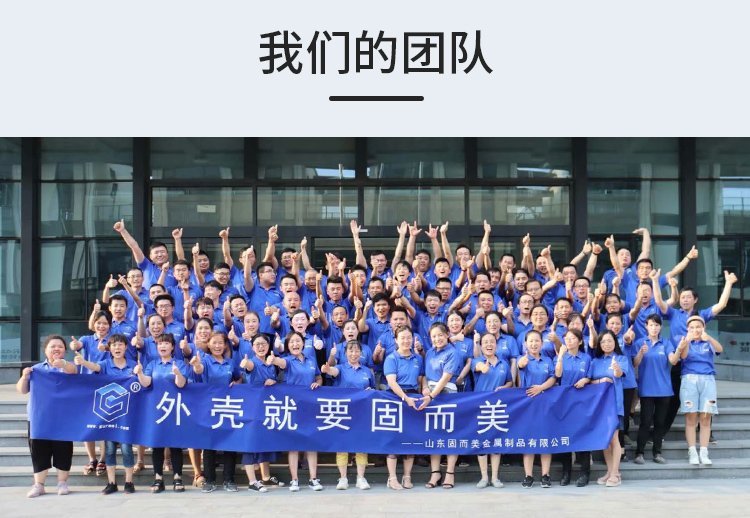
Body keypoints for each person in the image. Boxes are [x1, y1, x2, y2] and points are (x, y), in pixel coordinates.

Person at [73, 334, 137, 494]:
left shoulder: (133, 365)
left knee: (127, 449)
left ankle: (129, 482)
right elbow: (95, 367)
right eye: (114, 345)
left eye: (120, 345)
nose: (117, 348)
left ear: (126, 347)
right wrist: (83, 362)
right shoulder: (105, 364)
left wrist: (139, 373)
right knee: (109, 449)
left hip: (127, 414)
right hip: (109, 414)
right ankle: (111, 483)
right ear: (110, 348)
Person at [17, 335, 78, 498]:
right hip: (39, 418)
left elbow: (74, 371)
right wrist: (24, 376)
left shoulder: (68, 367)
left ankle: (62, 483)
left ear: (65, 350)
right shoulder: (36, 369)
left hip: (63, 418)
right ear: (45, 350)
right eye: (53, 346)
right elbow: (22, 390)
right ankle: (39, 485)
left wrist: (63, 364)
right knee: (39, 451)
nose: (56, 349)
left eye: (60, 346)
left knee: (63, 450)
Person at [266, 332, 324, 492]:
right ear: (288, 345)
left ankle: (313, 479)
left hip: (310, 406)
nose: (295, 344)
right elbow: (281, 363)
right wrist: (273, 360)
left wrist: (318, 383)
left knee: (311, 443)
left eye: (298, 341)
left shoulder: (311, 360)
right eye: (292, 342)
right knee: (293, 444)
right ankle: (294, 480)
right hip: (292, 406)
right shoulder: (288, 360)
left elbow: (318, 377)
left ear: (303, 344)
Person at [133, 333, 189, 493]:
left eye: (166, 343)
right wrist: (140, 373)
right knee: (157, 444)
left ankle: (177, 477)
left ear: (172, 347)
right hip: (156, 409)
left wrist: (177, 373)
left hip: (174, 408)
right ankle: (158, 478)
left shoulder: (179, 364)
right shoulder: (152, 364)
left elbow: (181, 384)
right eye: (160, 344)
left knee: (175, 445)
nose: (162, 346)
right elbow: (146, 383)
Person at [190, 332, 242, 493]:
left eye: (221, 343)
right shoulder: (205, 360)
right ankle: (210, 480)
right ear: (208, 344)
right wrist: (196, 365)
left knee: (230, 443)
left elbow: (239, 377)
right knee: (209, 444)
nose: (218, 346)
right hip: (209, 407)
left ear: (225, 345)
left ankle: (229, 479)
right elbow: (199, 370)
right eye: (214, 343)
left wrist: (237, 383)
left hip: (227, 407)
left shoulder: (230, 362)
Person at [321, 340, 375, 490]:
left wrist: (371, 391)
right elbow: (333, 371)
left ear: (361, 353)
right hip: (343, 412)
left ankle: (361, 478)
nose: (354, 354)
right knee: (342, 444)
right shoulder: (341, 368)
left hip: (362, 413)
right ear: (345, 353)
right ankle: (343, 478)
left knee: (361, 445)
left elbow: (373, 389)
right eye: (351, 351)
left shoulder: (367, 371)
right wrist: (328, 369)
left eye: (357, 351)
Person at [632, 314, 682, 465]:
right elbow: (634, 364)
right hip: (647, 390)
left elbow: (673, 360)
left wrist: (680, 349)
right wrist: (641, 353)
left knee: (660, 423)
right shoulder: (640, 343)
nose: (654, 328)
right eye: (651, 325)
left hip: (664, 390)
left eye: (657, 325)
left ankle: (657, 452)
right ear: (646, 326)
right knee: (645, 422)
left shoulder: (666, 343)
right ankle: (639, 453)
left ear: (660, 327)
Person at [383, 325, 426, 490]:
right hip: (396, 398)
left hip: (414, 398)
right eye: (402, 338)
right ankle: (392, 478)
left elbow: (421, 379)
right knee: (394, 439)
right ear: (396, 340)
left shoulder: (418, 359)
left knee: (410, 439)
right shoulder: (391, 358)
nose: (406, 341)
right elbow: (391, 382)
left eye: (409, 337)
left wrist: (424, 390)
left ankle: (407, 477)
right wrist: (405, 398)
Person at [238, 334, 283, 491]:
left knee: (264, 443)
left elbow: (276, 381)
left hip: (267, 409)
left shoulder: (271, 363)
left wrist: (274, 381)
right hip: (251, 409)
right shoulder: (253, 362)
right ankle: (252, 481)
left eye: (264, 344)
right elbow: (249, 366)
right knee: (250, 444)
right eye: (257, 344)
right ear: (252, 347)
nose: (261, 347)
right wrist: (246, 363)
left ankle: (265, 477)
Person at [678, 315, 723, 465]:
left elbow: (720, 349)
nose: (695, 330)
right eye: (692, 327)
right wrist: (687, 341)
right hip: (689, 379)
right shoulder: (685, 341)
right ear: (688, 329)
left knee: (705, 417)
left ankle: (704, 452)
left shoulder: (708, 342)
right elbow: (683, 356)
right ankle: (692, 452)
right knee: (691, 417)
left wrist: (708, 338)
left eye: (698, 327)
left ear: (703, 328)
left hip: (708, 380)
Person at [588, 331, 629, 487]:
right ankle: (610, 471)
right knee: (605, 439)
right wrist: (602, 380)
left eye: (609, 341)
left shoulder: (621, 359)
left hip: (614, 404)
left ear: (615, 342)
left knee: (614, 438)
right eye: (603, 341)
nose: (606, 344)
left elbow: (619, 374)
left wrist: (616, 369)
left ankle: (615, 474)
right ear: (599, 344)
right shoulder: (595, 361)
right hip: (599, 405)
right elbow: (589, 381)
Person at [472, 333, 512, 489]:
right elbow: (478, 368)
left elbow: (510, 382)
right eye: (485, 342)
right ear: (481, 346)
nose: (489, 345)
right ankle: (484, 477)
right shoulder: (477, 360)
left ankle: (495, 477)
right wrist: (483, 367)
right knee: (482, 442)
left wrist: (504, 387)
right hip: (481, 407)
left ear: (496, 344)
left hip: (498, 407)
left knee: (496, 442)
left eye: (492, 342)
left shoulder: (504, 364)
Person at [517, 330, 557, 488]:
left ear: (542, 343)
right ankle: (528, 475)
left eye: (537, 341)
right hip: (527, 405)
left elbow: (553, 377)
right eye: (531, 341)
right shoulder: (523, 358)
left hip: (545, 404)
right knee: (529, 440)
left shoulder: (548, 360)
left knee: (545, 439)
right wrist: (522, 363)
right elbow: (520, 366)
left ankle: (546, 475)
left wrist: (541, 388)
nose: (534, 344)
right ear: (525, 344)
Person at [422, 323, 459, 489]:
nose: (437, 339)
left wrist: (431, 395)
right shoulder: (429, 352)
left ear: (447, 335)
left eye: (440, 335)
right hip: (430, 396)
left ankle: (450, 473)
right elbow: (425, 375)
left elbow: (446, 378)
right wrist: (425, 388)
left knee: (451, 435)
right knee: (434, 435)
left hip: (447, 396)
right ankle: (435, 473)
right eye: (434, 336)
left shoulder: (453, 352)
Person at [554, 329, 592, 487]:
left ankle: (584, 473)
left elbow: (590, 376)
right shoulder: (561, 357)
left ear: (580, 341)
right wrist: (560, 356)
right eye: (566, 338)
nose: (569, 341)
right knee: (566, 437)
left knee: (582, 436)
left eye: (572, 338)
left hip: (582, 402)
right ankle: (566, 473)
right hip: (564, 402)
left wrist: (585, 380)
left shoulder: (586, 358)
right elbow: (557, 375)